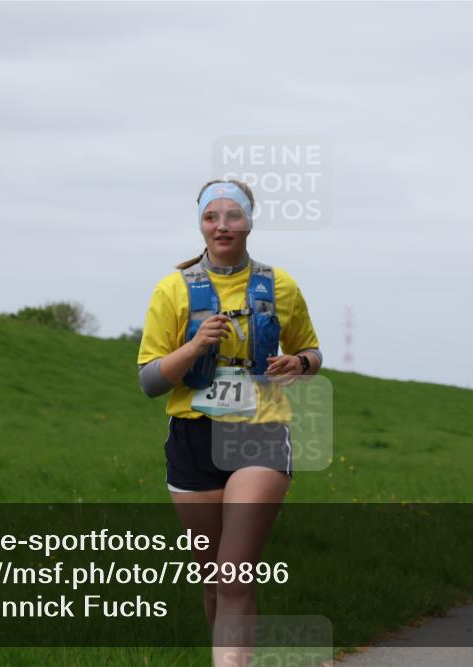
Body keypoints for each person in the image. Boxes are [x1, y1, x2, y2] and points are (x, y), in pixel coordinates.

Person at [137, 179, 322, 666]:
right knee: (215, 581)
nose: (222, 226)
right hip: (193, 436)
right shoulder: (172, 289)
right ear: (200, 223)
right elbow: (150, 381)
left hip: (259, 433)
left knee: (236, 573)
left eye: (232, 215)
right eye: (211, 217)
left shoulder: (280, 285)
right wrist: (196, 346)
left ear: (249, 221)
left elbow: (312, 350)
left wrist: (299, 364)